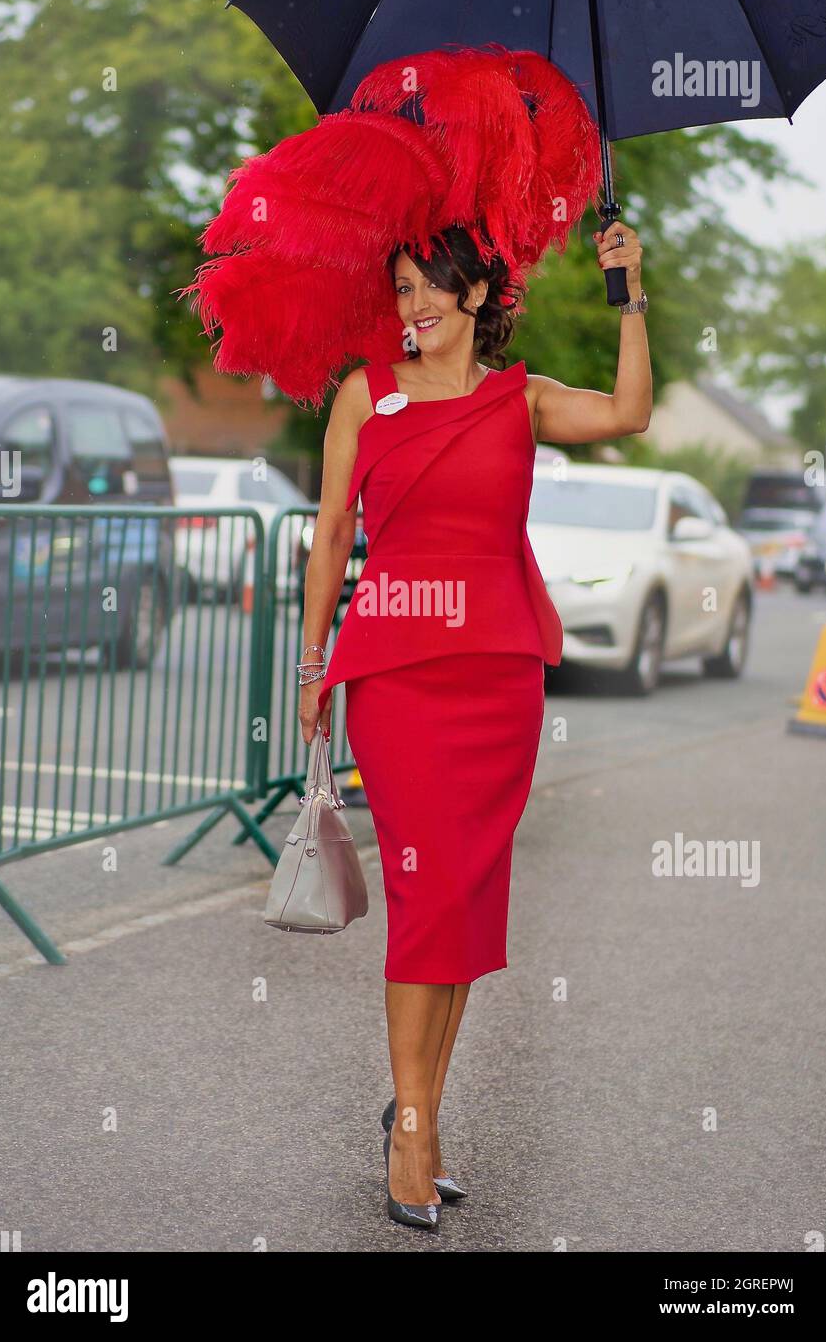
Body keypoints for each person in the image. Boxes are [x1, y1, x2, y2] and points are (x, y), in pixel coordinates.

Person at [297, 220, 651, 1230]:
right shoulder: (366, 393)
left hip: (499, 681)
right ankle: (410, 1126)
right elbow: (328, 537)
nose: (414, 305)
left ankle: (425, 1116)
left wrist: (626, 291)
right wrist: (313, 660)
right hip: (400, 676)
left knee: (463, 904)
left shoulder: (521, 399)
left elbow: (630, 412)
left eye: (432, 286)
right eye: (403, 286)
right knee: (424, 898)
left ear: (481, 291)